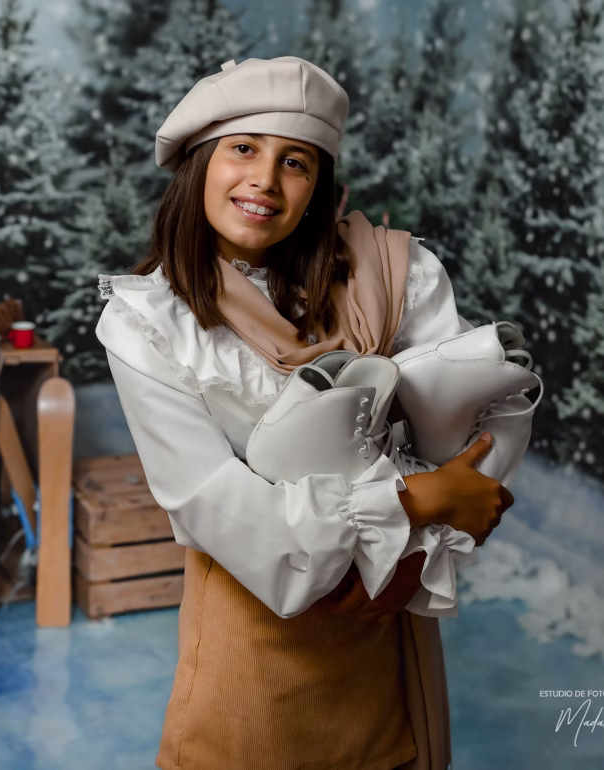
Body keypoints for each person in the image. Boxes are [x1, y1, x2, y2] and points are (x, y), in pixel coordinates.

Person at [95, 56, 514, 770]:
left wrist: (414, 555)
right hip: (251, 638)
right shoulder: (148, 324)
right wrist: (411, 501)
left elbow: (484, 414)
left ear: (319, 184)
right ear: (200, 163)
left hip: (387, 626)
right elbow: (214, 503)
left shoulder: (393, 275)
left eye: (295, 161)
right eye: (243, 149)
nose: (264, 180)